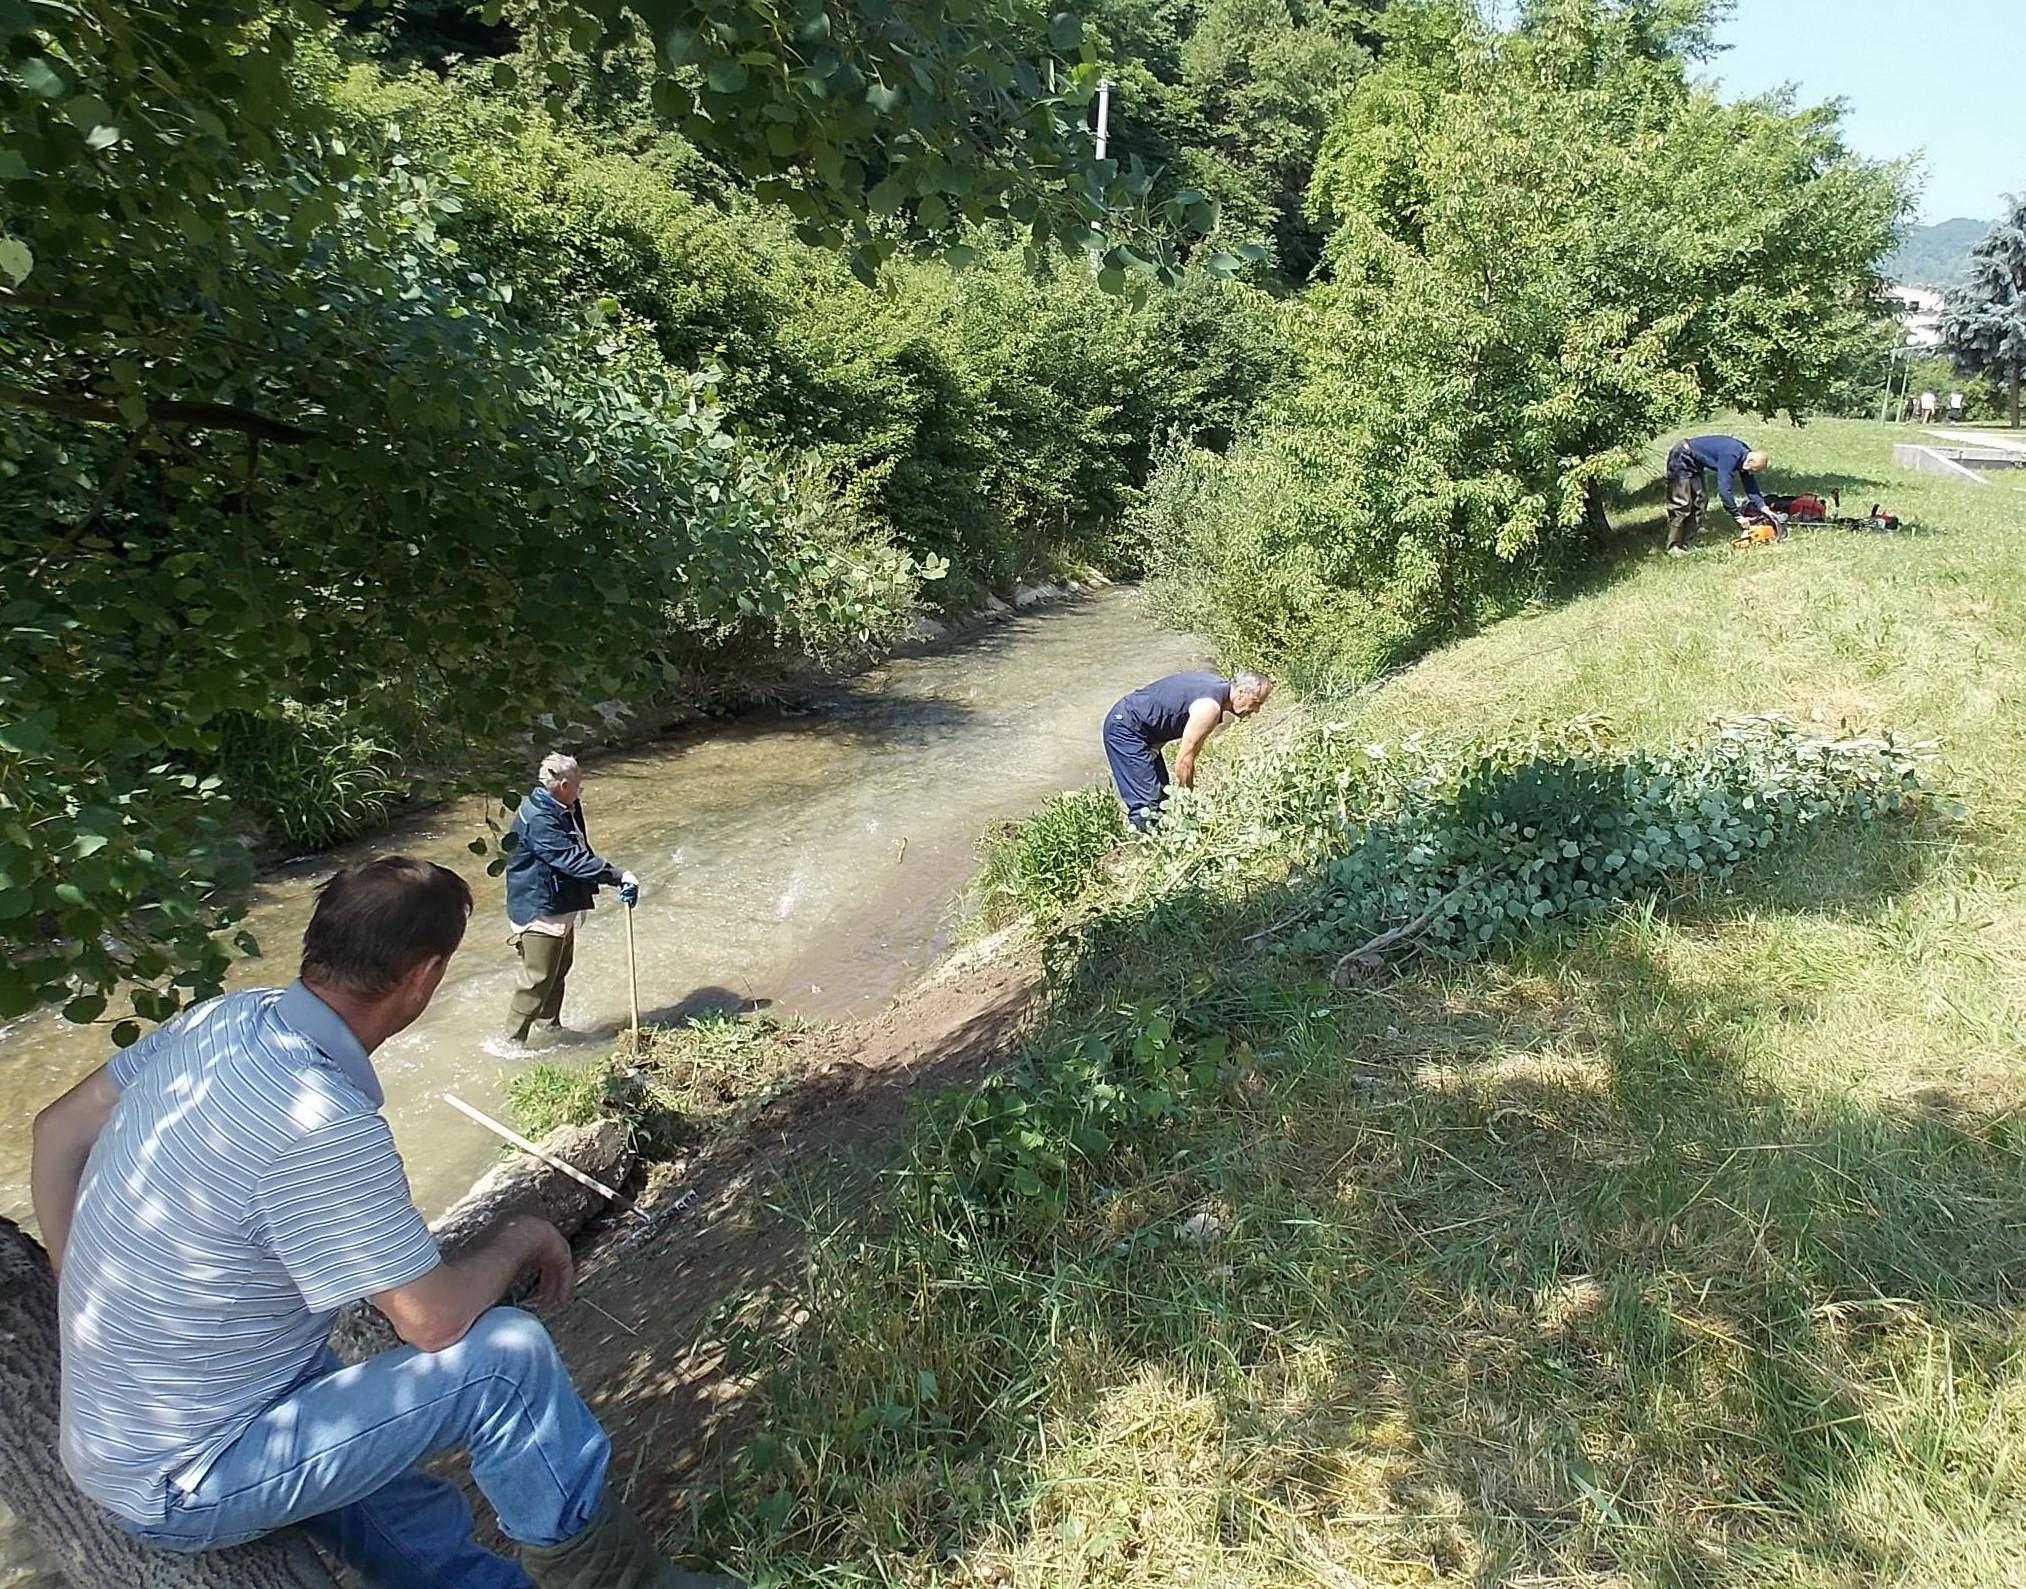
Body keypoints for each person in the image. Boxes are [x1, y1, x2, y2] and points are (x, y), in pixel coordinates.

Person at [32, 855, 736, 1588]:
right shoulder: (320, 1119)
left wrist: (75, 1283)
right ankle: (617, 1581)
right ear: (424, 978)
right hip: (186, 1475)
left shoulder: (220, 1019)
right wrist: (523, 1235)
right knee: (506, 1358)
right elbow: (429, 1321)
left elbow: (56, 1132)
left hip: (117, 1439)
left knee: (395, 1491)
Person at [504, 752, 638, 1045]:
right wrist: (618, 875)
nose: (581, 792)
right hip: (539, 907)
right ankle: (511, 1044)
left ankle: (549, 1029)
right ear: (563, 785)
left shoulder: (565, 804)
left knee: (558, 971)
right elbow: (570, 859)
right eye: (579, 786)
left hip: (559, 901)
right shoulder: (539, 818)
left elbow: (579, 847)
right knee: (537, 979)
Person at [1103, 670, 1273, 831]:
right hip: (1126, 728)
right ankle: (1144, 852)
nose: (1256, 710)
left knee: (1162, 796)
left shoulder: (1215, 688)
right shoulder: (1209, 708)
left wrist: (1155, 747)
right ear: (1241, 692)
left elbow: (1168, 709)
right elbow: (1184, 762)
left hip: (1142, 730)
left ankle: (1161, 842)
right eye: (1256, 702)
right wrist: (1189, 802)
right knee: (1148, 803)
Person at [1663, 434, 1772, 556]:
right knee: (1682, 505)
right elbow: (1724, 489)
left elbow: (1750, 485)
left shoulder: (1746, 457)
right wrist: (1737, 516)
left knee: (1700, 502)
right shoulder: (1731, 456)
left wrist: (1763, 507)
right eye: (1752, 470)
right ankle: (1673, 547)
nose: (1750, 473)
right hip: (1681, 456)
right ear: (1751, 461)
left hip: (1695, 464)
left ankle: (1686, 544)